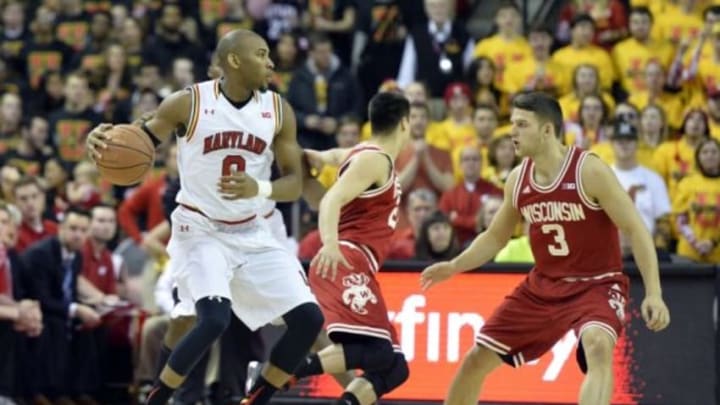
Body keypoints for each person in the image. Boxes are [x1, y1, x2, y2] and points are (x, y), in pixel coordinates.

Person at [85, 29, 324, 405]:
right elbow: (137, 142)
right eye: (261, 54)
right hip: (200, 229)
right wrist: (102, 144)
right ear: (234, 60)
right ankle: (157, 399)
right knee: (212, 319)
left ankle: (253, 400)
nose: (271, 62)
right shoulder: (189, 103)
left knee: (309, 320)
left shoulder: (278, 110)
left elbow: (294, 185)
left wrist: (258, 189)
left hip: (253, 229)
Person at [420, 92, 670, 405]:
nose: (512, 131)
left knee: (597, 346)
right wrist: (454, 265)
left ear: (547, 130)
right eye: (512, 123)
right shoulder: (517, 179)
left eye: (522, 124)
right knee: (476, 360)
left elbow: (635, 228)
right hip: (544, 286)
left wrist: (654, 293)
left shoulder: (588, 170)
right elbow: (496, 237)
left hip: (597, 283)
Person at [296, 91, 411, 405]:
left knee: (395, 368)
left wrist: (320, 156)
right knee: (377, 351)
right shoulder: (375, 160)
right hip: (348, 257)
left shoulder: (363, 152)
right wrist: (331, 244)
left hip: (358, 261)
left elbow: (337, 155)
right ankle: (285, 370)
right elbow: (331, 199)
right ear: (405, 123)